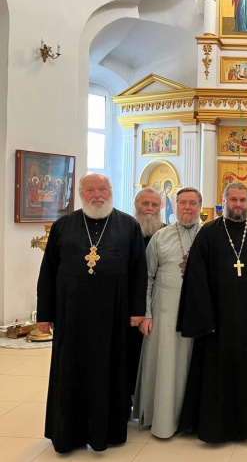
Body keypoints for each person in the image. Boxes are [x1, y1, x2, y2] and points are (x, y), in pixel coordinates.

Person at [36, 173, 147, 453]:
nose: (97, 195)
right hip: (71, 312)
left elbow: (139, 271)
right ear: (80, 193)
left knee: (109, 369)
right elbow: (48, 271)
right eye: (90, 190)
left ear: (111, 191)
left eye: (102, 189)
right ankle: (67, 433)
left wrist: (137, 310)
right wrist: (44, 314)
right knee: (70, 369)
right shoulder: (63, 225)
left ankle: (108, 431)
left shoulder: (128, 225)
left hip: (114, 314)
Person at [176, 182, 247, 443]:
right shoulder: (209, 232)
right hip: (218, 319)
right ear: (224, 201)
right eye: (233, 200)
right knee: (216, 372)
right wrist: (205, 317)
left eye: (242, 200)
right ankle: (215, 425)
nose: (238, 205)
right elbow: (197, 277)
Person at [132, 187, 202, 438]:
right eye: (183, 202)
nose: (187, 208)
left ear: (199, 207)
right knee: (166, 363)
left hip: (199, 312)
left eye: (192, 203)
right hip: (163, 311)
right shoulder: (161, 237)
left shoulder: (209, 235)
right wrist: (146, 314)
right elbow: (147, 278)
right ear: (174, 205)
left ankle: (192, 419)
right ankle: (161, 420)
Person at [127, 187, 166, 401]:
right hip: (129, 304)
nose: (150, 208)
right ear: (136, 205)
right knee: (130, 353)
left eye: (154, 204)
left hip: (159, 304)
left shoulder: (167, 232)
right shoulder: (125, 230)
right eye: (145, 203)